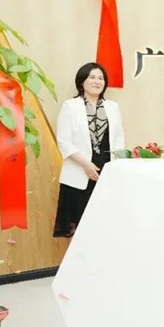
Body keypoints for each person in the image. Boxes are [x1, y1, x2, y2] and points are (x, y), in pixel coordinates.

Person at [53, 63, 125, 237]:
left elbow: (119, 140)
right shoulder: (70, 106)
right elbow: (63, 142)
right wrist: (86, 165)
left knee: (104, 226)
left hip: (106, 172)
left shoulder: (112, 107)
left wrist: (116, 169)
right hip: (79, 172)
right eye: (92, 77)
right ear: (82, 82)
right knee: (79, 229)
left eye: (101, 78)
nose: (97, 81)